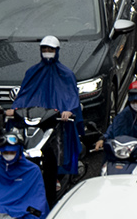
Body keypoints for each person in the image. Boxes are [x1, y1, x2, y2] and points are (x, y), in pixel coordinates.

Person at [10, 35, 83, 179]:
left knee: (60, 142)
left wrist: (69, 110)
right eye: (44, 49)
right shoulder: (32, 72)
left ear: (57, 51)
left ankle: (60, 174)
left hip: (57, 119)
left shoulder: (66, 74)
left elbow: (72, 96)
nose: (47, 52)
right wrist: (16, 108)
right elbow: (24, 94)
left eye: (50, 49)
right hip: (36, 117)